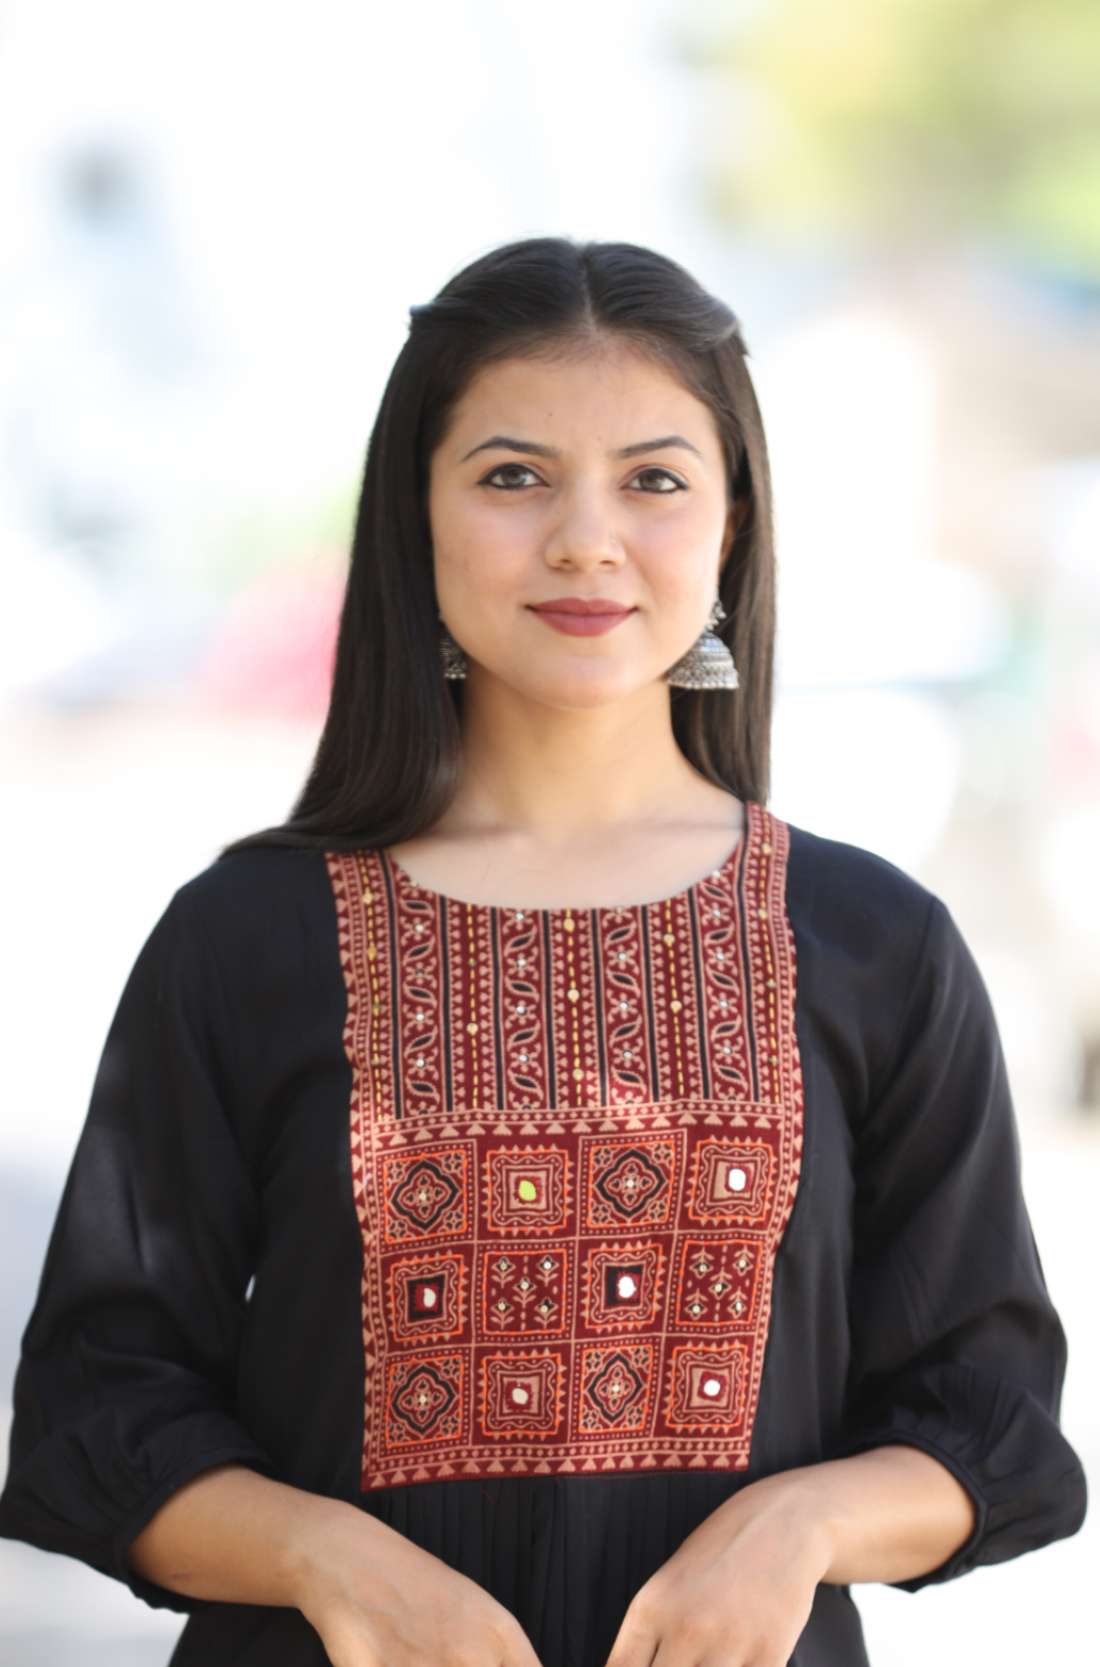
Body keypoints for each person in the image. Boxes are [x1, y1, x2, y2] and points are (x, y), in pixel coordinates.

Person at [0, 235, 1087, 1667]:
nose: (586, 537)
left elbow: (990, 1419)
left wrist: (799, 1527)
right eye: (514, 476)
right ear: (418, 515)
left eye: (654, 478)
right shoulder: (243, 939)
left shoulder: (878, 947)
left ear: (734, 526)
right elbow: (98, 1409)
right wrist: (334, 1562)